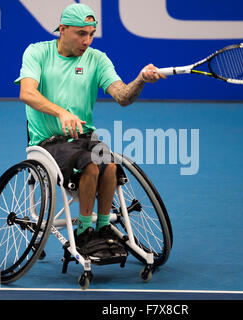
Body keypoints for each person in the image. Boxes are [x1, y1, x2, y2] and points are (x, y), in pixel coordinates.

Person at [14, 3, 165, 258]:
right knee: (91, 166)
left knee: (110, 165)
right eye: (81, 33)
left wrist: (140, 80)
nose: (87, 40)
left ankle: (103, 227)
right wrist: (60, 112)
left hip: (84, 138)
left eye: (91, 34)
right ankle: (84, 231)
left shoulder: (97, 59)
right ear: (62, 29)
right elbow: (26, 93)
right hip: (48, 143)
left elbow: (122, 96)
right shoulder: (38, 52)